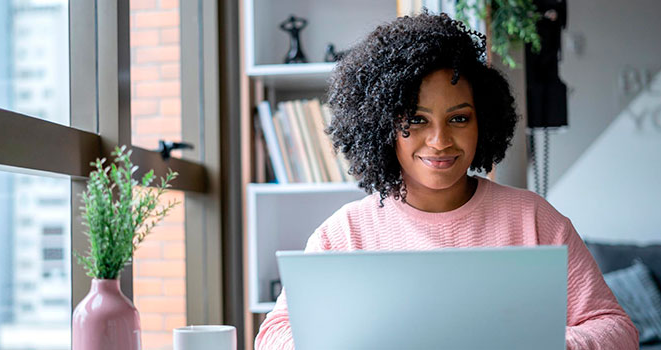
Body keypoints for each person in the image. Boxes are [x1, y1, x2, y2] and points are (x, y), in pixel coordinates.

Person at [255, 12, 638, 350]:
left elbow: (618, 330)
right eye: (417, 119)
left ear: (483, 122)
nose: (440, 141)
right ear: (383, 126)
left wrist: (541, 344)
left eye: (459, 118)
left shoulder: (533, 219)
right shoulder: (344, 234)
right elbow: (273, 336)